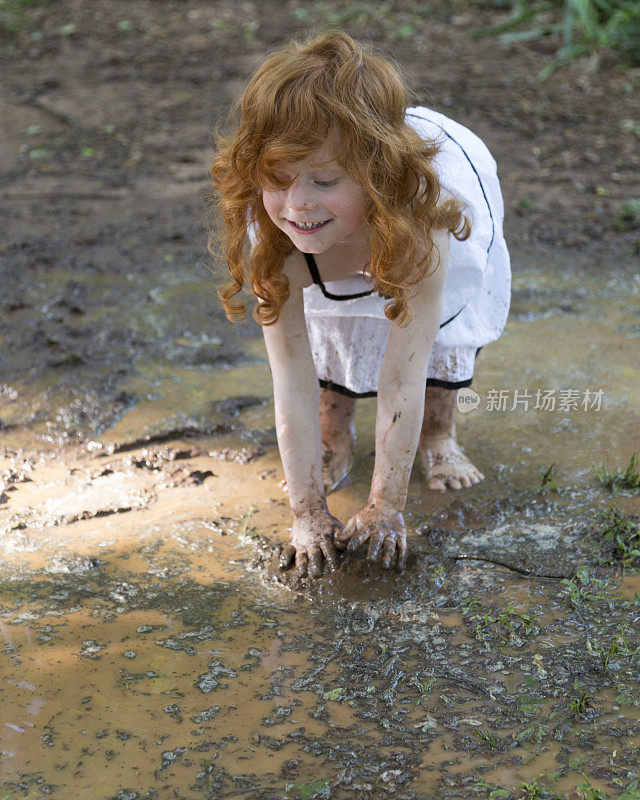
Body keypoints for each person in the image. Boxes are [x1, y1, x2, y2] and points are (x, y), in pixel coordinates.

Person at [210, 30, 510, 576]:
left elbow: (404, 371)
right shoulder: (276, 233)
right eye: (279, 180)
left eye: (324, 181)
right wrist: (305, 512)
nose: (299, 204)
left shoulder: (427, 221)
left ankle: (439, 437)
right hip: (337, 251)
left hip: (400, 233)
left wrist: (386, 507)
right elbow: (291, 379)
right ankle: (335, 437)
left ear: (375, 179)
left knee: (440, 350)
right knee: (332, 346)